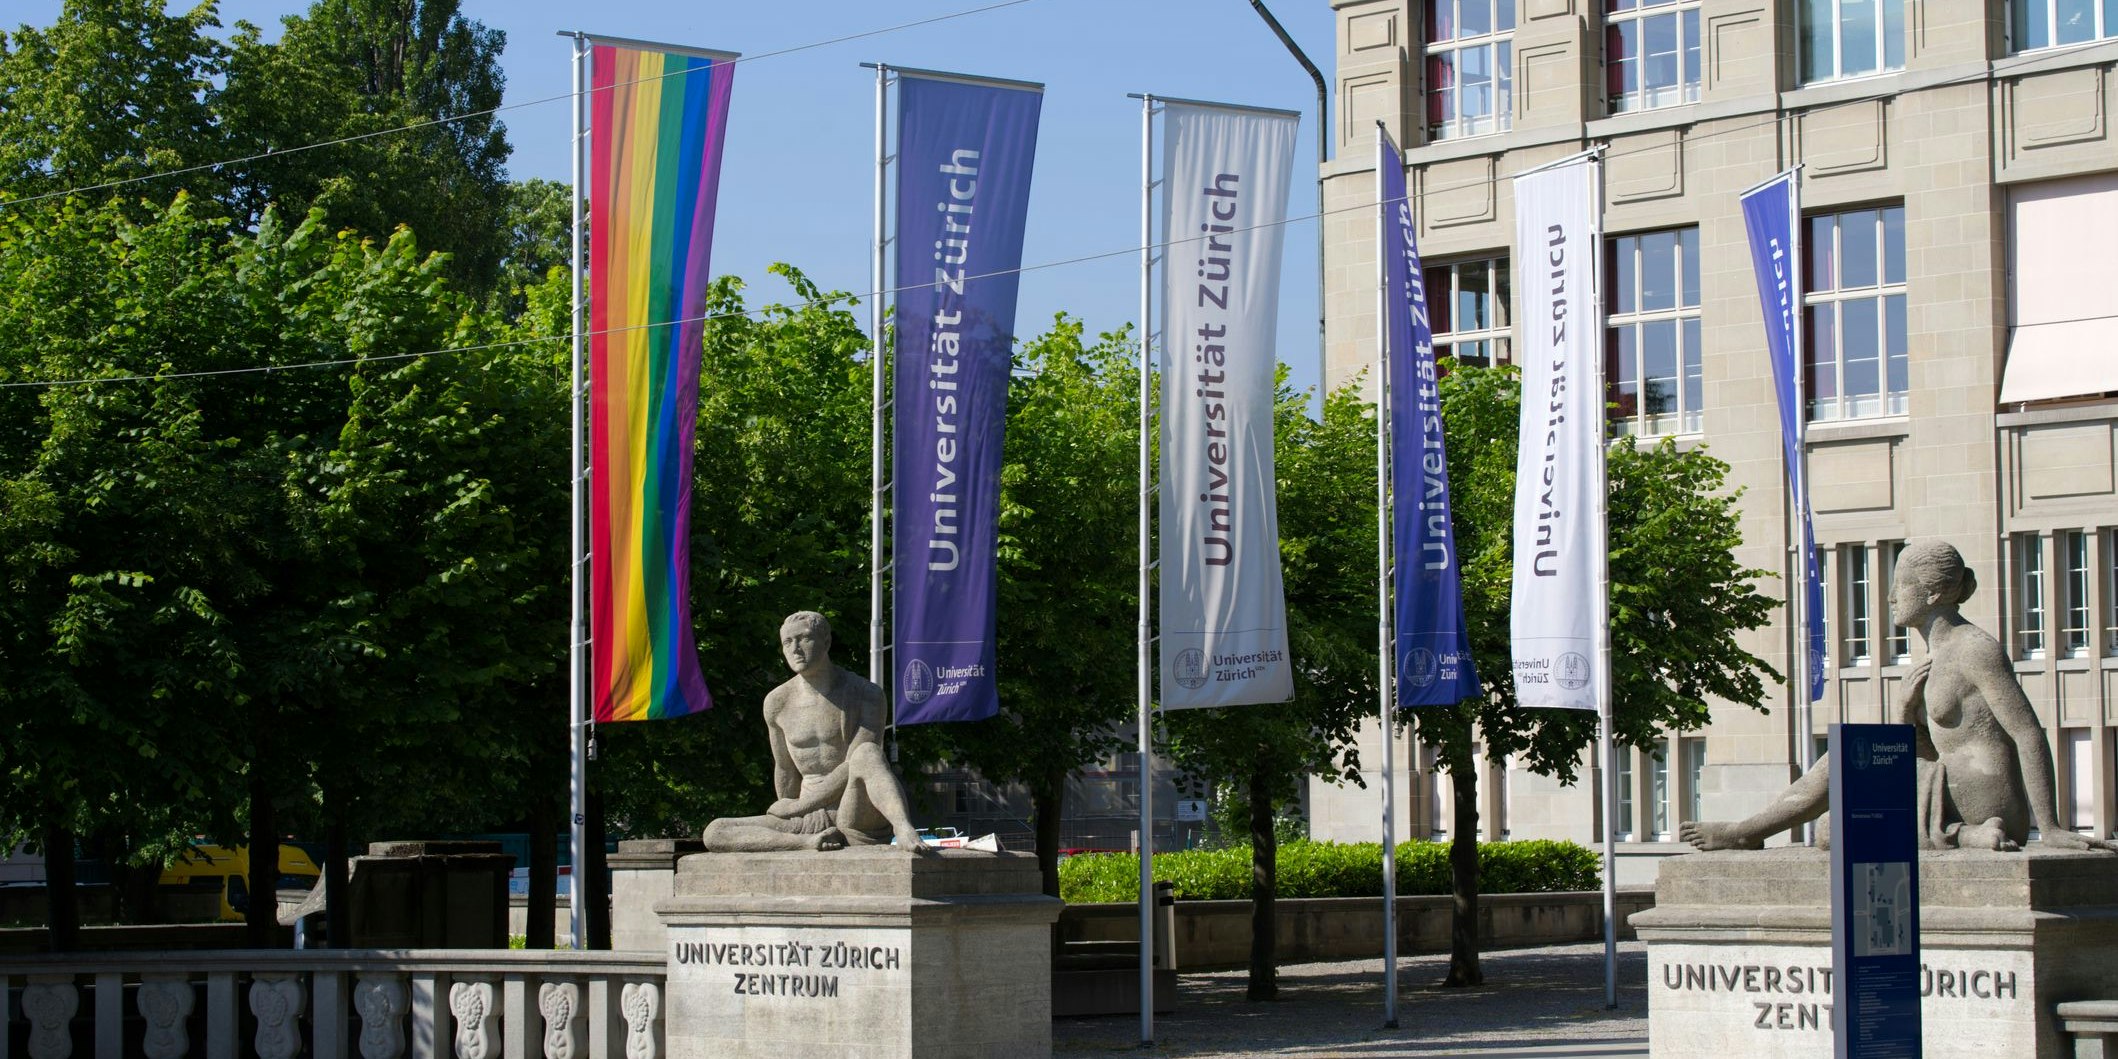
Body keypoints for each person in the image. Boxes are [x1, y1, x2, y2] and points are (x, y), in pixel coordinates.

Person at [1681, 540, 2115, 853]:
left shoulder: (1975, 649)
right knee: (1840, 799)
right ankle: (1963, 836)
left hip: (1985, 797)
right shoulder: (1933, 656)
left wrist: (2052, 826)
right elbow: (1929, 746)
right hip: (1952, 792)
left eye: (1900, 585)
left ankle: (1744, 832)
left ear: (1933, 593)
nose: (1889, 597)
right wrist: (1906, 714)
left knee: (1842, 803)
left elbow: (2027, 732)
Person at [701, 611, 931, 853]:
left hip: (852, 808)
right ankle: (805, 843)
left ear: (826, 642)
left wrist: (799, 806)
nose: (796, 649)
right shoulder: (776, 702)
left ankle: (903, 828)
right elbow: (785, 769)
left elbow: (857, 764)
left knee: (868, 753)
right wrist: (791, 811)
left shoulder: (866, 694)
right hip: (806, 816)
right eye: (788, 642)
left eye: (804, 638)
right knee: (716, 831)